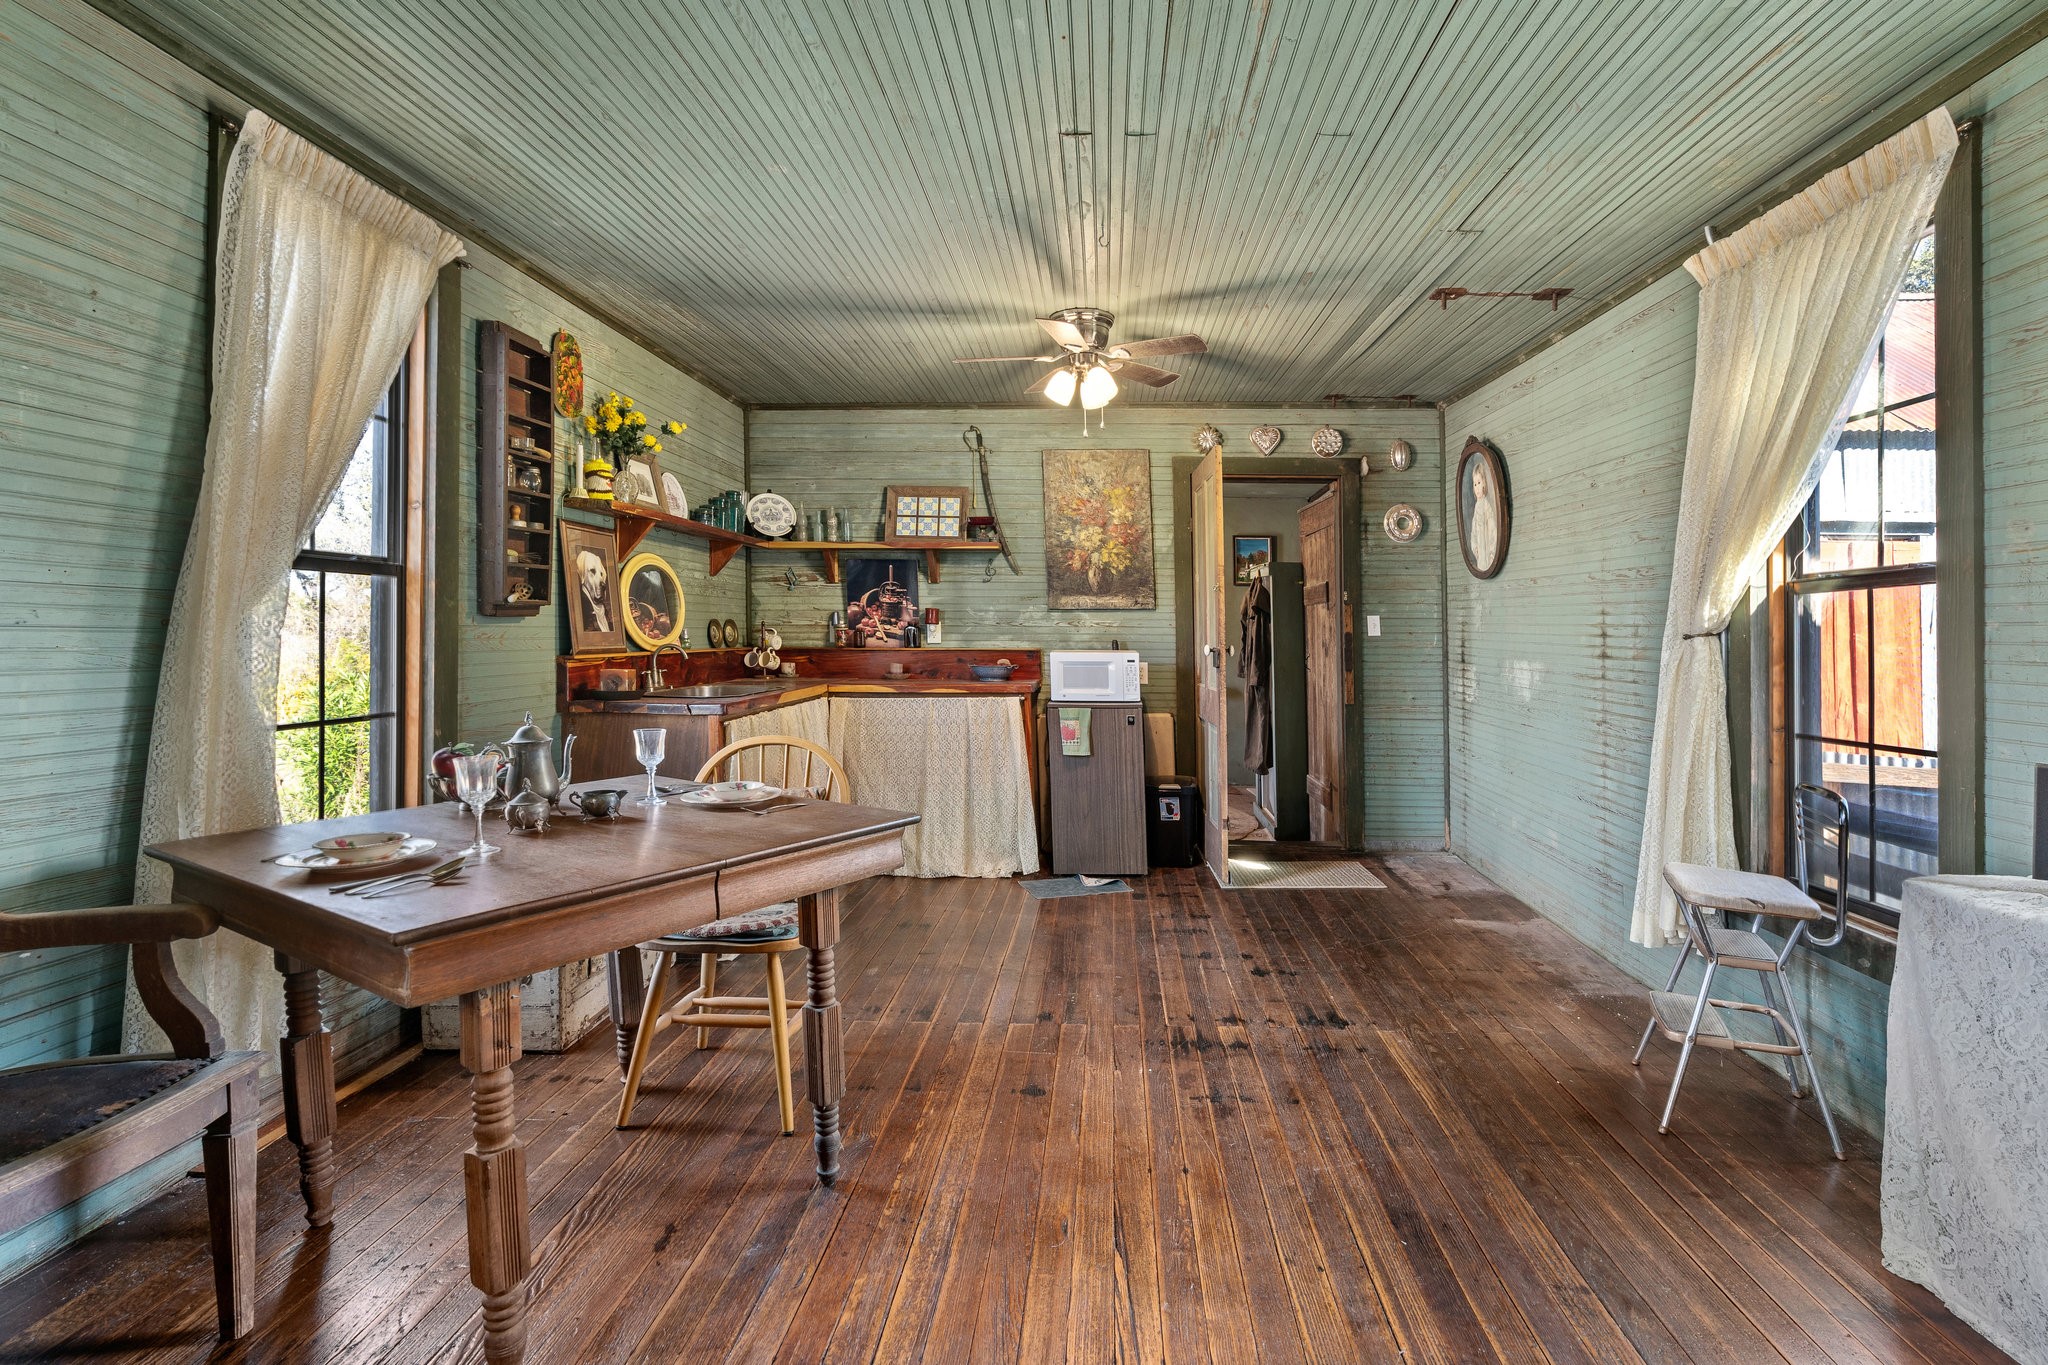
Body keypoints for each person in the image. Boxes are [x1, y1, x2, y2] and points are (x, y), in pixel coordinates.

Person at [1468, 458, 1500, 570]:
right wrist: (1475, 548)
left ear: (1485, 483)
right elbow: (1474, 531)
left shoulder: (1487, 505)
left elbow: (1493, 530)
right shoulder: (1477, 506)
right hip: (1481, 556)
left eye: (1479, 482)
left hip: (1489, 555)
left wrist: (1492, 553)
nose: (1477, 488)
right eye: (1475, 484)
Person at [576, 549, 613, 633]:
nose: (602, 582)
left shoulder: (605, 610)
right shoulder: (582, 613)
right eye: (592, 571)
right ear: (582, 575)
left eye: (601, 574)